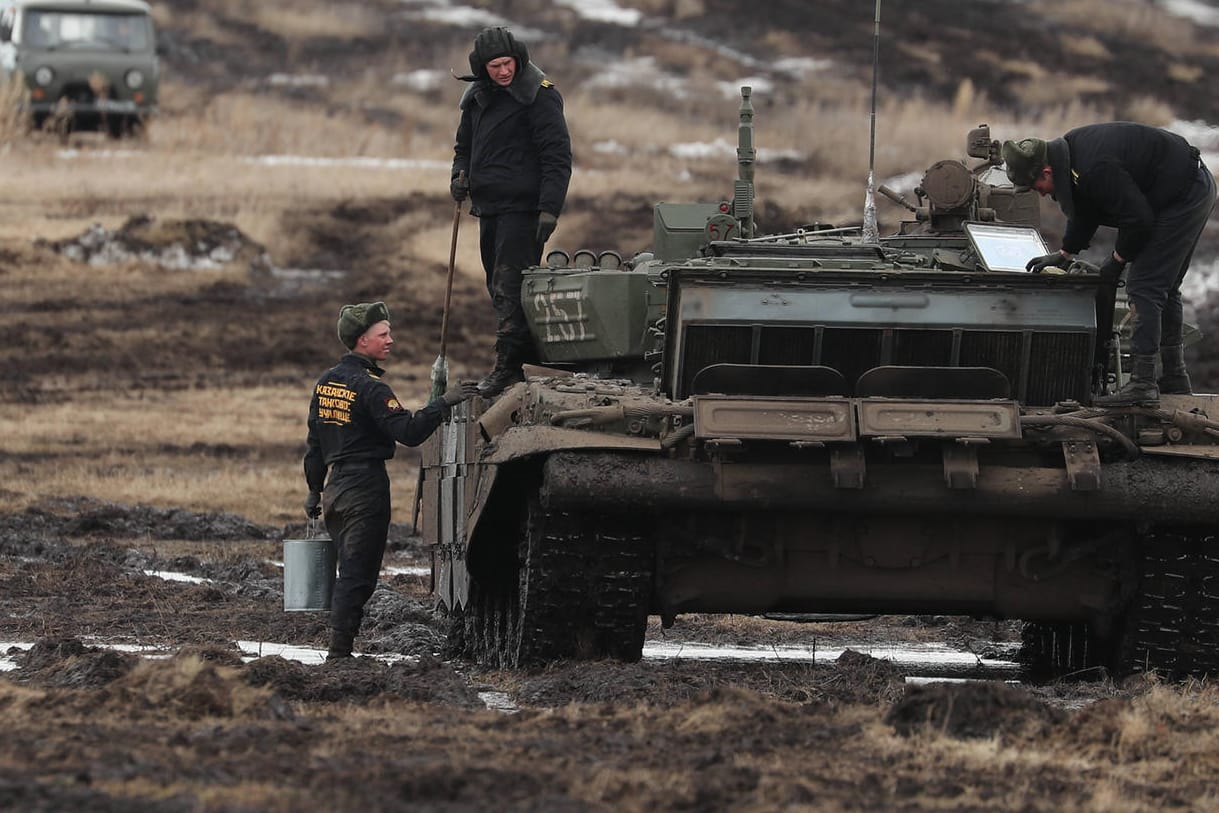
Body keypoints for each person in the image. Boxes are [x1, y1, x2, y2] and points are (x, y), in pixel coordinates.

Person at [302, 301, 478, 660]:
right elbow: (409, 432)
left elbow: (315, 444)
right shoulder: (372, 389)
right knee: (357, 575)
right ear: (362, 340)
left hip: (336, 489)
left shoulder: (326, 383)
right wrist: (443, 402)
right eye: (383, 334)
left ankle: (340, 648)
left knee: (348, 570)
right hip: (365, 490)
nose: (390, 340)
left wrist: (313, 490)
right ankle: (339, 654)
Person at [1002, 123, 1216, 406]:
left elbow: (1138, 221)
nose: (1040, 194)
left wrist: (1116, 260)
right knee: (1164, 286)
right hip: (1188, 186)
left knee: (1144, 286)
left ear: (1046, 172)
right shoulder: (1070, 155)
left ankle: (1143, 384)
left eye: (1035, 187)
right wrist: (1065, 252)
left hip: (1184, 195)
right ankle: (1175, 378)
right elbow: (1086, 206)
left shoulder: (1093, 168)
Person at [450, 26, 572, 397]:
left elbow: (557, 156)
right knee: (496, 286)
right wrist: (459, 176)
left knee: (510, 286)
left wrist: (549, 208)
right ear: (482, 67)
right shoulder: (476, 97)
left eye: (507, 63)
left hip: (524, 209)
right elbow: (463, 147)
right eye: (495, 66)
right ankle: (518, 360)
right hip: (489, 208)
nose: (503, 71)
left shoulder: (539, 95)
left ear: (518, 59)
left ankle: (508, 367)